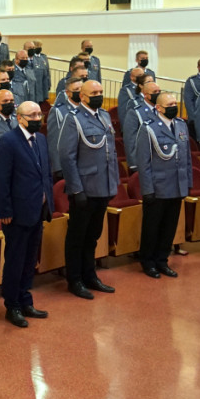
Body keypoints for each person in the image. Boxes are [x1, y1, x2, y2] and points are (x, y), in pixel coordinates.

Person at [0, 100, 53, 327]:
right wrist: (4, 209)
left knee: (30, 260)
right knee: (15, 260)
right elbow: (1, 178)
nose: (38, 118)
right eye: (32, 115)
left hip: (38, 210)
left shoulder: (41, 139)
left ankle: (26, 299)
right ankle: (12, 305)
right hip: (17, 213)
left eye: (39, 114)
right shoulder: (8, 142)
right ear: (20, 118)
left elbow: (45, 173)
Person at [58, 81, 119, 299]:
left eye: (100, 92)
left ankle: (90, 275)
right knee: (77, 236)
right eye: (94, 93)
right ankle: (74, 279)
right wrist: (76, 189)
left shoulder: (103, 116)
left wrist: (113, 184)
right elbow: (67, 156)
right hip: (84, 189)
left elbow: (110, 154)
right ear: (82, 97)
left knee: (93, 235)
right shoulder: (73, 119)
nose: (99, 96)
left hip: (103, 186)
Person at [135, 92, 193, 278]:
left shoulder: (181, 125)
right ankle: (148, 262)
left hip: (177, 186)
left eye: (175, 103)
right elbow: (143, 163)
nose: (174, 106)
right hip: (158, 187)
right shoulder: (148, 128)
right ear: (158, 108)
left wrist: (188, 183)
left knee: (169, 227)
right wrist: (147, 190)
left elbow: (187, 159)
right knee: (152, 227)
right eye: (169, 104)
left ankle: (162, 260)